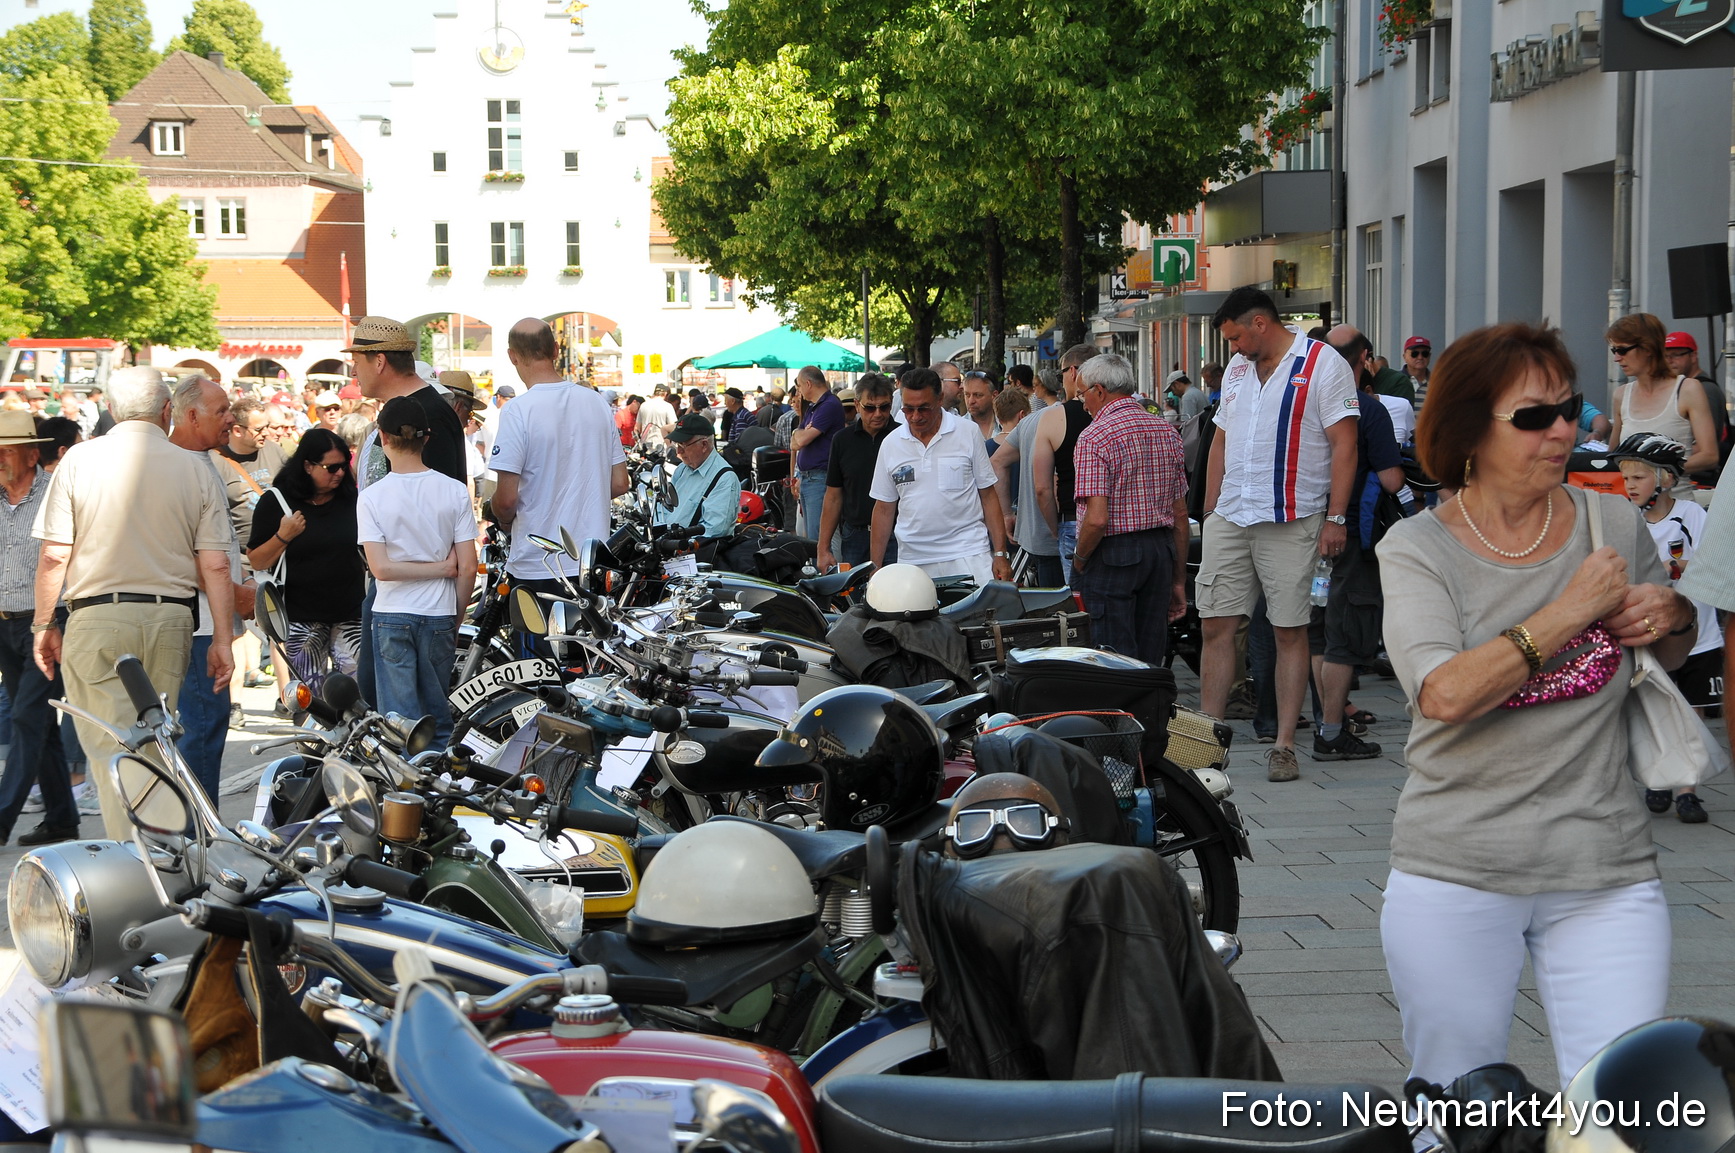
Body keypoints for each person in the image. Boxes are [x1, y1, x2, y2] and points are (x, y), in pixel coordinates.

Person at [1377, 320, 1691, 1091]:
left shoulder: (1610, 522)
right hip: (1457, 866)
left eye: (1568, 408)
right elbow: (1443, 692)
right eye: (1532, 416)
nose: (1561, 430)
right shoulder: (1417, 549)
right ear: (1468, 431)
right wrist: (1571, 609)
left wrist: (1671, 614)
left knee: (1618, 1104)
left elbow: (1669, 651)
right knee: (1457, 1104)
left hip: (1604, 865)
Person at [32, 366, 234, 841]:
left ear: (110, 409)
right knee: (157, 744)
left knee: (112, 750)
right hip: (170, 618)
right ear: (166, 411)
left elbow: (55, 555)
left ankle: (138, 860)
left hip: (97, 617)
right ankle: (165, 854)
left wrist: (43, 623)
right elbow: (216, 565)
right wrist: (223, 639)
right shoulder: (193, 467)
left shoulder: (79, 460)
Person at [1198, 287, 1359, 783]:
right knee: (1215, 625)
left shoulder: (1323, 363)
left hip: (1293, 516)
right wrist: (1210, 509)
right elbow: (1220, 439)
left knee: (1289, 630)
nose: (1233, 347)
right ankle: (1205, 744)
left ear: (1260, 323)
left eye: (1236, 337)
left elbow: (1345, 443)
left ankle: (1284, 745)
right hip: (1233, 513)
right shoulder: (1238, 369)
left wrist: (1336, 518)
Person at [1607, 433, 1721, 824]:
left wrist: (1676, 567)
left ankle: (1687, 789)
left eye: (1639, 477)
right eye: (1626, 478)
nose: (1630, 485)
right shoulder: (1627, 520)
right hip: (1651, 636)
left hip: (1699, 636)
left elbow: (1711, 561)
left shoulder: (1692, 515)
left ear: (1666, 479)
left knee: (1693, 712)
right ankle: (1660, 776)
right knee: (1655, 709)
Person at [1310, 326, 1407, 760]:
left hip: (1305, 529)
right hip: (1349, 535)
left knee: (1316, 631)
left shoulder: (1307, 401)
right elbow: (1392, 479)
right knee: (1345, 634)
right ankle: (1332, 732)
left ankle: (1326, 721)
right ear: (1364, 357)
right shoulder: (1367, 409)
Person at [357, 397, 477, 746]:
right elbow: (468, 566)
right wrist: (454, 609)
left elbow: (381, 569)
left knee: (400, 725)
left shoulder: (372, 497)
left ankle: (408, 782)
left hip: (391, 614)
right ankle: (438, 777)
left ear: (383, 437)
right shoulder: (454, 491)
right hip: (439, 612)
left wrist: (440, 570)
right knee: (438, 719)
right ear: (426, 438)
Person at [491, 318, 629, 604]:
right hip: (592, 560)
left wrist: (501, 517)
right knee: (593, 635)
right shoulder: (597, 403)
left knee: (537, 636)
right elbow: (619, 483)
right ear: (556, 349)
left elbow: (506, 500)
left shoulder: (517, 411)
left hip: (538, 563)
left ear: (512, 356)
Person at [1068, 353, 1188, 664]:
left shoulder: (1095, 437)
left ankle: (1121, 699)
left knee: (1113, 658)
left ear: (1099, 391)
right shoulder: (1166, 431)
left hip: (1111, 554)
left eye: (1082, 394)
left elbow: (1097, 519)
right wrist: (1178, 578)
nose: (1082, 404)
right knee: (1150, 655)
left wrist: (1079, 559)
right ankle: (1149, 698)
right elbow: (1180, 514)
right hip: (1159, 551)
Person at [166, 376, 251, 800]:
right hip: (197, 624)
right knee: (201, 728)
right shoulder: (176, 465)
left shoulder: (201, 461)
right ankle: (199, 831)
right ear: (192, 416)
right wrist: (236, 594)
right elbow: (182, 554)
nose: (231, 418)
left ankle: (196, 827)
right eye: (221, 411)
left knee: (205, 727)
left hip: (207, 620)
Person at [0, 413, 76, 846]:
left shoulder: (56, 494)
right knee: (40, 723)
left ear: (32, 455)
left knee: (27, 717)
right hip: (4, 623)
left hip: (49, 622)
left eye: (7, 450)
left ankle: (1, 816)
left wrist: (55, 619)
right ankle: (62, 818)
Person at [246, 429, 366, 696]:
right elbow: (257, 559)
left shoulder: (351, 500)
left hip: (350, 613)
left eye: (343, 466)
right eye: (331, 467)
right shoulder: (277, 501)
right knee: (310, 697)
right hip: (302, 617)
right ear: (308, 466)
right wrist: (283, 536)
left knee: (356, 695)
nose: (340, 473)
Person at [869, 368, 1011, 583]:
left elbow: (988, 495)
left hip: (969, 553)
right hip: (913, 559)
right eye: (908, 409)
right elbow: (883, 508)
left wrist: (1000, 553)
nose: (915, 416)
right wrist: (875, 567)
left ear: (940, 399)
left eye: (924, 408)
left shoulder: (968, 432)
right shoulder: (891, 443)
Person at [345, 316, 468, 489]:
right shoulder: (417, 408)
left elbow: (435, 495)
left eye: (356, 362)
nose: (353, 372)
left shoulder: (429, 414)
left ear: (379, 362)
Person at [1030, 343, 1100, 583]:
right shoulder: (1118, 415)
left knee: (1079, 598)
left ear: (1072, 371)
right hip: (1122, 521)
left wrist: (1056, 528)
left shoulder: (1053, 418)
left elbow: (1042, 488)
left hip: (1073, 518)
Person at [817, 373, 897, 571]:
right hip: (855, 534)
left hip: (896, 534)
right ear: (857, 405)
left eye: (884, 407)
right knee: (855, 590)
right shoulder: (842, 440)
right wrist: (823, 548)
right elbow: (833, 496)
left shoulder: (902, 437)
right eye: (870, 407)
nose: (877, 414)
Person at [657, 414, 743, 542]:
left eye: (683, 445)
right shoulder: (682, 469)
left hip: (691, 550)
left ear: (704, 445)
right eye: (677, 444)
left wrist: (677, 545)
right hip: (667, 542)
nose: (678, 452)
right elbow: (666, 507)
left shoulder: (724, 479)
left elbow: (714, 532)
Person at [212, 399, 288, 543]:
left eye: (267, 426)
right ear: (237, 431)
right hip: (240, 553)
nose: (266, 433)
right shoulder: (215, 461)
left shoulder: (276, 452)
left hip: (280, 547)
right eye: (259, 429)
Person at [1662, 330, 1728, 472]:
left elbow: (1703, 446)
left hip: (1698, 475)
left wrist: (1661, 460)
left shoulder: (1705, 390)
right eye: (1665, 356)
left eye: (1675, 355)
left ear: (1693, 356)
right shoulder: (1685, 387)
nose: (1669, 361)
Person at [791, 366, 844, 540]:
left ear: (808, 384)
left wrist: (800, 435)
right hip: (809, 478)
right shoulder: (814, 407)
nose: (799, 391)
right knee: (811, 536)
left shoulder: (829, 405)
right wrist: (798, 433)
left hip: (819, 478)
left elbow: (802, 441)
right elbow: (794, 442)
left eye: (799, 386)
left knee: (818, 538)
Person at [962, 371, 998, 443]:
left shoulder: (1008, 425)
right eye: (967, 395)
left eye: (978, 395)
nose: (971, 401)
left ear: (994, 395)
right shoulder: (958, 428)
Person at [1402, 336, 1431, 406]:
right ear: (1404, 357)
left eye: (1425, 354)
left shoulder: (1437, 382)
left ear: (1429, 356)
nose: (1420, 357)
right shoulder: (1396, 381)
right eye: (1414, 354)